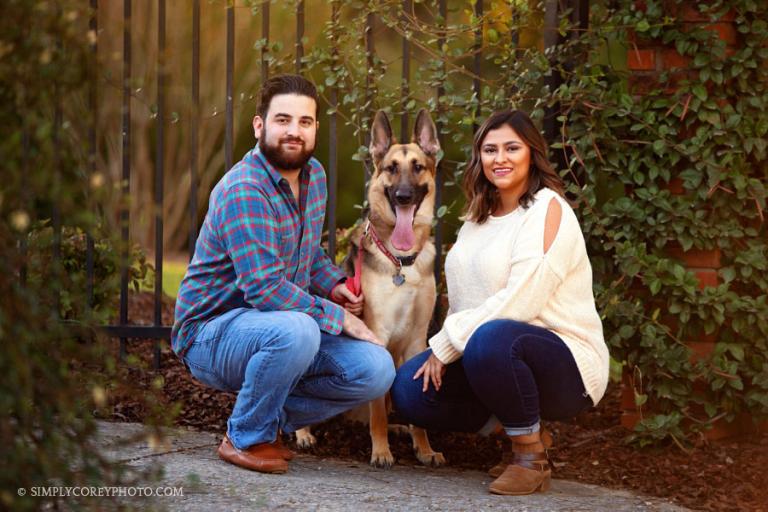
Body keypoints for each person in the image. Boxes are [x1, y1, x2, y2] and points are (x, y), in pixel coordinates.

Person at [171, 74, 395, 474]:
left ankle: (266, 421)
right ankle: (244, 435)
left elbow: (305, 259)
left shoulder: (315, 178)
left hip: (276, 329)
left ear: (315, 129)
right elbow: (265, 288)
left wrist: (336, 286)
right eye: (283, 120)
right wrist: (338, 316)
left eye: (305, 122)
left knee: (376, 369)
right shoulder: (245, 189)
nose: (294, 131)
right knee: (299, 329)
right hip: (211, 333)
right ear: (260, 126)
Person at [390, 109, 609, 495]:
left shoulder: (548, 209)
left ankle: (529, 455)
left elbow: (522, 299)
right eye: (490, 150)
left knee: (491, 339)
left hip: (564, 362)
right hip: (489, 356)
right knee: (410, 391)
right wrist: (446, 350)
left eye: (512, 148)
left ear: (531, 154)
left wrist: (445, 343)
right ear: (480, 159)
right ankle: (523, 423)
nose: (500, 158)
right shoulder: (477, 218)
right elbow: (464, 302)